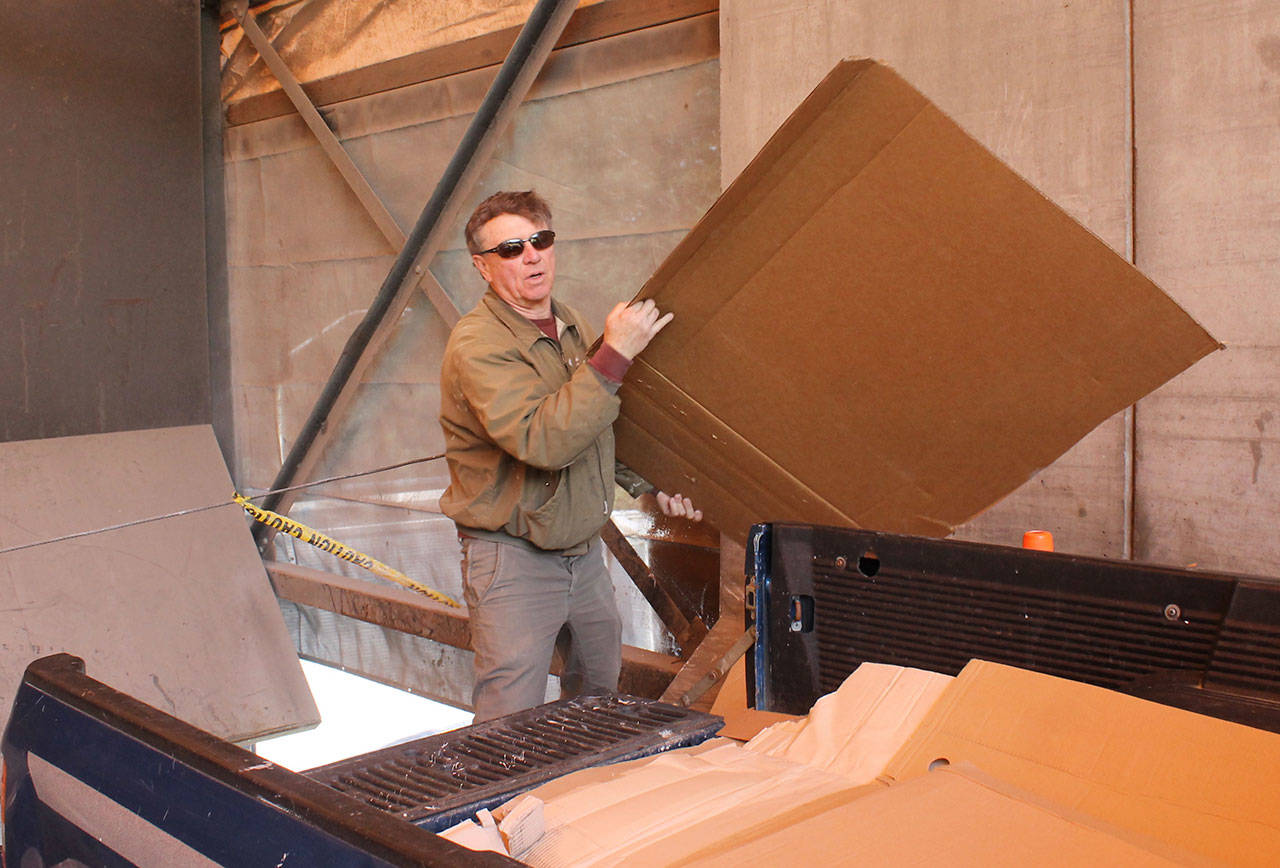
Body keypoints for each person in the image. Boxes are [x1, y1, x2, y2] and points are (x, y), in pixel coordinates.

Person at [439, 190, 702, 722]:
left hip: (582, 553)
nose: (531, 256)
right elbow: (545, 441)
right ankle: (507, 808)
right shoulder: (478, 345)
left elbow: (597, 429)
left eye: (541, 240)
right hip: (513, 558)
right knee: (509, 716)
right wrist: (617, 353)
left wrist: (651, 485)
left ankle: (580, 798)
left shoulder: (574, 326)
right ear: (482, 268)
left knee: (597, 695)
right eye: (511, 249)